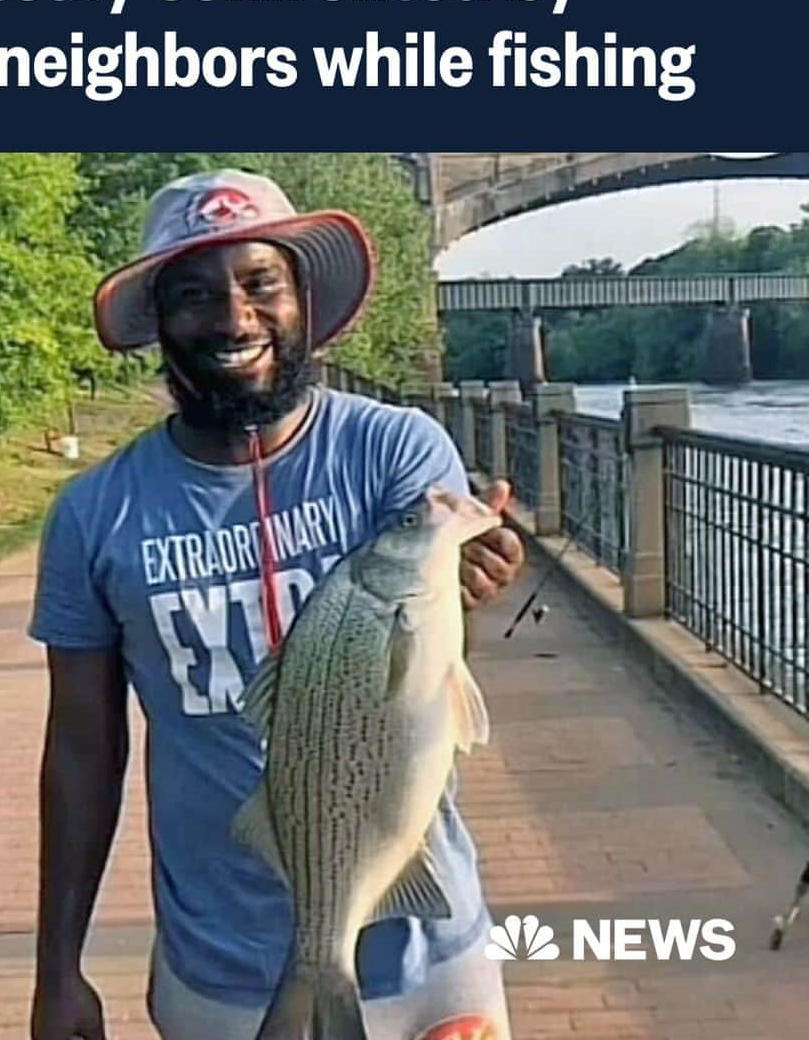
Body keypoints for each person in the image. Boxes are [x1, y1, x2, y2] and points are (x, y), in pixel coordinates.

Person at [29, 170, 526, 1040]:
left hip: (431, 960)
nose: (233, 318)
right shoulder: (92, 515)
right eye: (195, 295)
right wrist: (56, 966)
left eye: (261, 283)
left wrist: (469, 583)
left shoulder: (396, 449)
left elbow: (430, 667)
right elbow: (80, 749)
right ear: (160, 325)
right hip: (218, 975)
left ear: (302, 296)